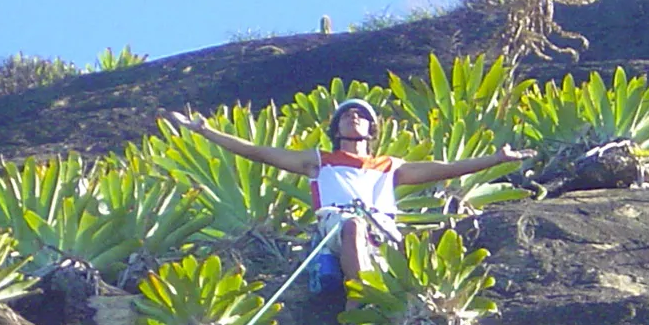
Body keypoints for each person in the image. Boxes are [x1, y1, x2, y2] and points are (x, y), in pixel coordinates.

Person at [162, 100, 533, 303]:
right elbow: (259, 152)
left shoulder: (389, 167)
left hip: (383, 227)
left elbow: (445, 169)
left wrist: (496, 160)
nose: (354, 118)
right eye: (347, 115)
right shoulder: (318, 161)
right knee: (353, 226)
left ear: (372, 130)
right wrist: (205, 131)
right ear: (336, 128)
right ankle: (362, 299)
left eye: (362, 116)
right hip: (338, 223)